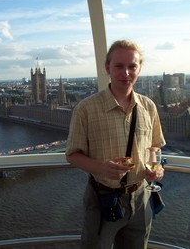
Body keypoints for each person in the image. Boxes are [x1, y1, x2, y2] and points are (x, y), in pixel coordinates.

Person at [66, 40, 166, 249]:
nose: (126, 73)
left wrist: (156, 170)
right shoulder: (86, 109)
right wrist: (102, 168)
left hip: (141, 198)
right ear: (107, 68)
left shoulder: (148, 106)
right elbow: (72, 154)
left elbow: (155, 147)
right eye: (119, 66)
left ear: (139, 68)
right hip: (103, 200)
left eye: (132, 66)